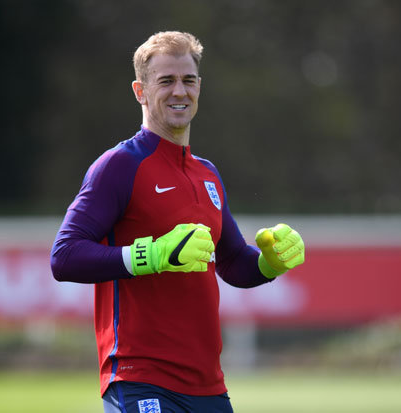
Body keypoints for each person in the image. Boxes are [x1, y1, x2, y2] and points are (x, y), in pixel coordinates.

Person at [50, 31, 305, 413]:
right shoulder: (119, 166)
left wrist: (270, 263)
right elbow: (64, 256)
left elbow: (233, 262)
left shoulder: (208, 174)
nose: (179, 91)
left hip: (209, 387)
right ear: (140, 91)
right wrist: (153, 255)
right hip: (138, 379)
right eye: (166, 81)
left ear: (199, 86)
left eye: (188, 80)